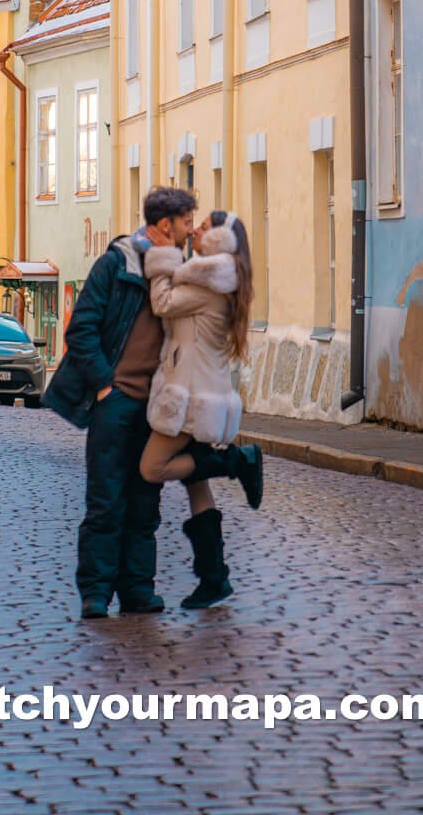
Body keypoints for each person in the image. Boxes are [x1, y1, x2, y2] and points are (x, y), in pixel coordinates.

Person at [43, 186, 198, 619]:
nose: (189, 231)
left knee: (145, 502)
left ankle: (137, 591)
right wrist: (105, 386)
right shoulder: (118, 264)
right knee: (106, 501)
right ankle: (95, 593)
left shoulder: (181, 272)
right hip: (116, 403)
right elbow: (82, 330)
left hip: (158, 408)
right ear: (165, 225)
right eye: (185, 223)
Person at [139, 211, 264, 609]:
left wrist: (161, 257)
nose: (195, 231)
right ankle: (214, 579)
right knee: (196, 482)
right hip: (204, 390)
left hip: (190, 397)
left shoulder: (209, 281)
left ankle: (238, 463)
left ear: (220, 240)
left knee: (151, 468)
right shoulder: (220, 278)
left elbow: (161, 303)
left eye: (205, 228)